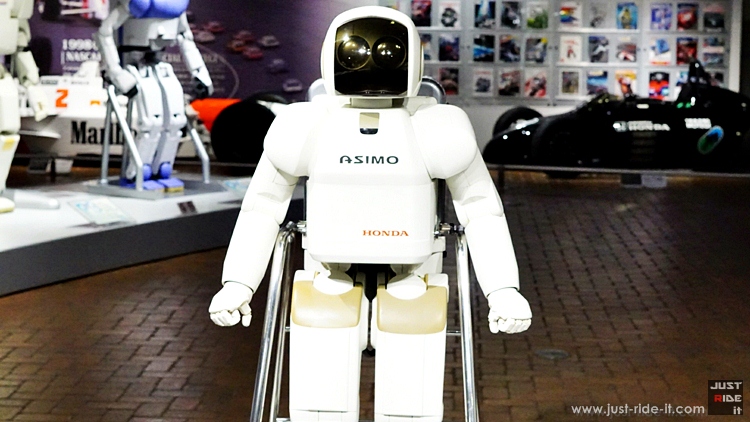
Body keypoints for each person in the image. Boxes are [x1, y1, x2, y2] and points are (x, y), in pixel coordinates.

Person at [209, 6, 532, 421]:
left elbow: (481, 210)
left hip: (413, 272)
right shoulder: (305, 125)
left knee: (412, 358)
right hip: (327, 272)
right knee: (320, 359)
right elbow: (262, 208)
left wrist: (502, 289)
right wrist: (238, 282)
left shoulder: (437, 127)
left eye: (387, 52)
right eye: (356, 52)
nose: (369, 63)